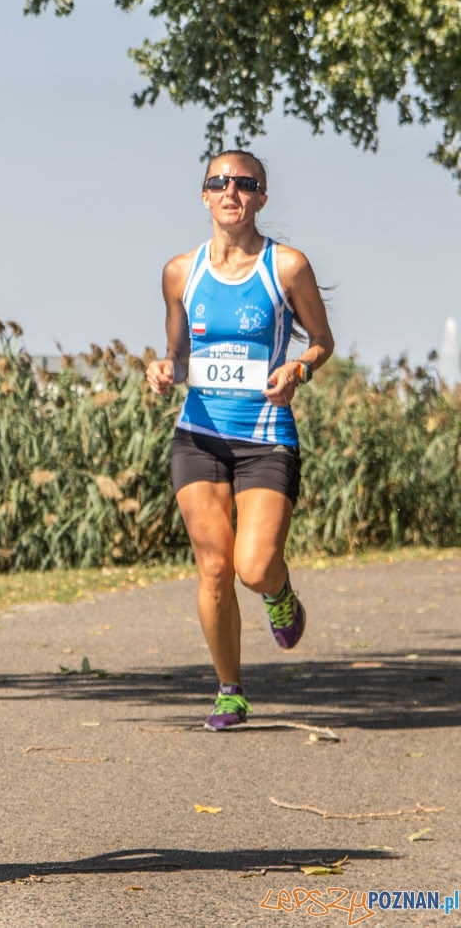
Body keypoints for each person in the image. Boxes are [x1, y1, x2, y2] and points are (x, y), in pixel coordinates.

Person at [145, 150, 334, 731]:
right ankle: (230, 689)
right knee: (214, 568)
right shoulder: (181, 272)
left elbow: (322, 341)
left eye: (245, 184)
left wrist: (298, 370)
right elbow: (177, 351)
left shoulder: (287, 267)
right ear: (204, 195)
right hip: (199, 435)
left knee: (253, 567)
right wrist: (163, 367)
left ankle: (279, 593)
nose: (232, 192)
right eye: (220, 183)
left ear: (261, 199)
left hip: (265, 436)